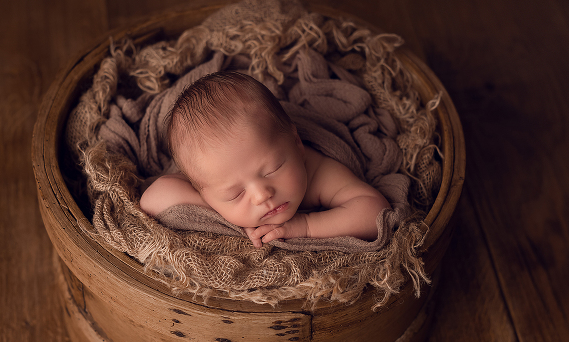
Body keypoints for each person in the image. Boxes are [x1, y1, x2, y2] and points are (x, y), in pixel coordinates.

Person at [140, 71, 391, 248]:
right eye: (235, 194)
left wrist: (305, 227)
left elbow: (375, 211)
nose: (262, 195)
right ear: (206, 194)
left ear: (296, 143)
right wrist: (225, 214)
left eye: (273, 169)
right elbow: (153, 198)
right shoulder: (213, 185)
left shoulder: (317, 172)